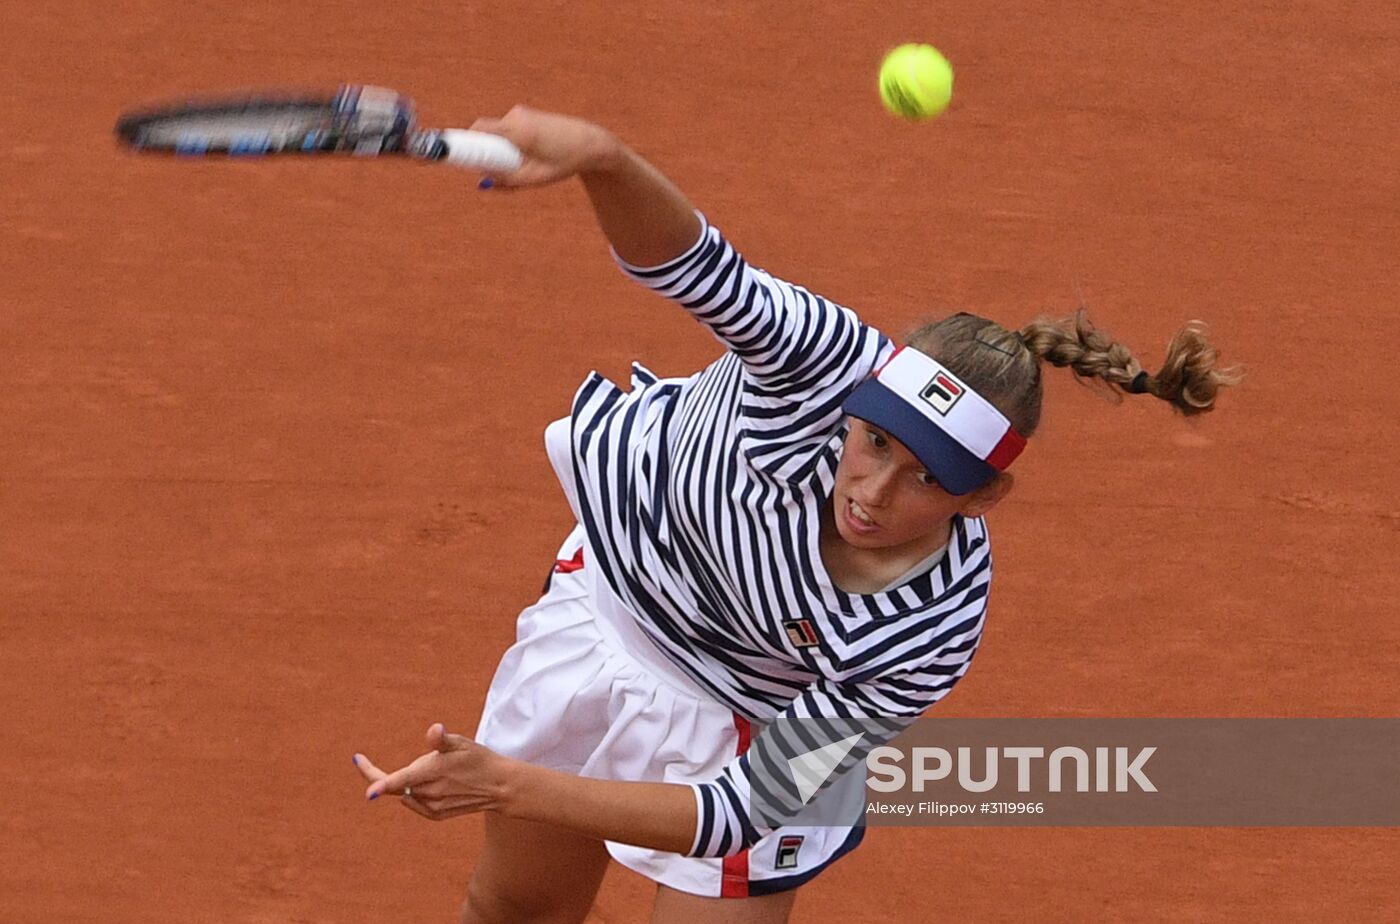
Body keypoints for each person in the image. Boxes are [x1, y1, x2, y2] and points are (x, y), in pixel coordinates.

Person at [353, 106, 1240, 924]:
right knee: (516, 913)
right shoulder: (823, 362)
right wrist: (604, 161)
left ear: (984, 498)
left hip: (754, 713)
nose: (875, 494)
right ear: (858, 401)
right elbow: (697, 267)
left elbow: (739, 809)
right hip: (618, 611)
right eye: (876, 444)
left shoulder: (928, 628)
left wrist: (509, 786)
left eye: (928, 481)